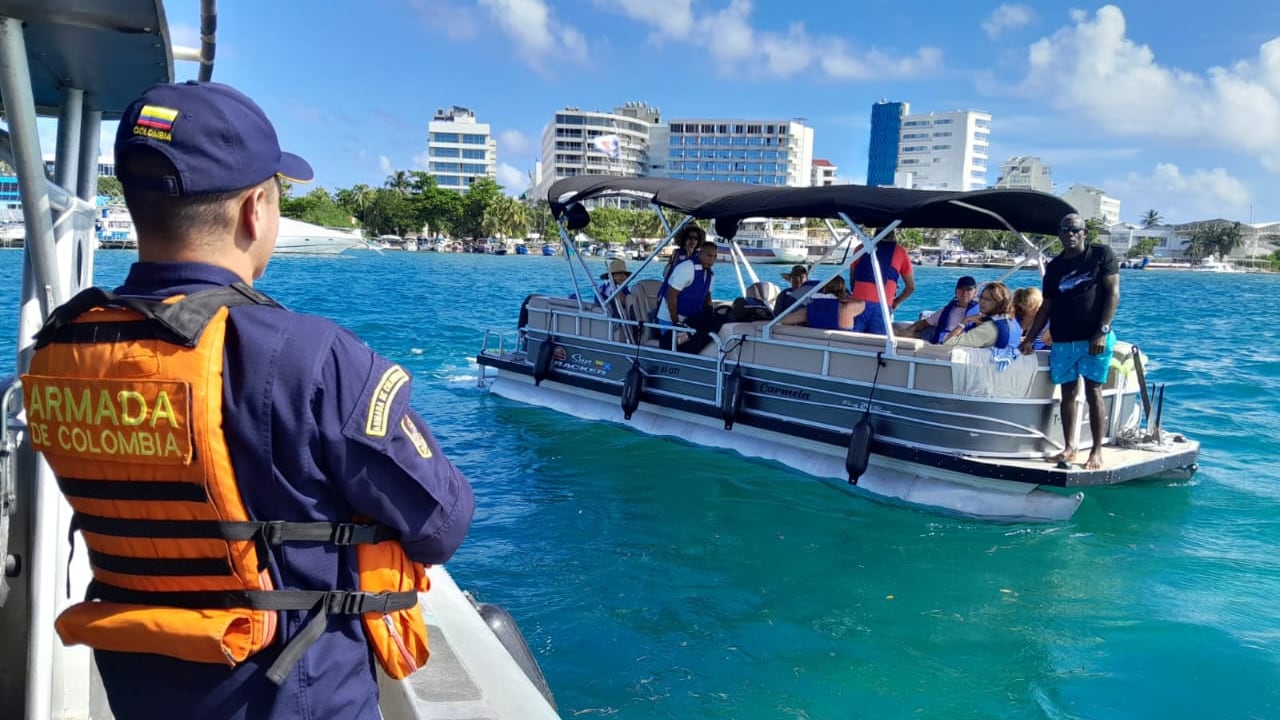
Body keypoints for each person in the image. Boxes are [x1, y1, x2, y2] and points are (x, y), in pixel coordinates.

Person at [20, 81, 475, 719]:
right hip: (296, 698)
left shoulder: (59, 349)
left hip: (138, 692)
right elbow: (441, 523)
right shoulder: (313, 357)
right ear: (255, 210)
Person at [1019, 213, 1120, 470]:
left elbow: (1112, 293)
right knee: (1067, 392)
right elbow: (1046, 306)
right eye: (1065, 230)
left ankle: (1096, 450)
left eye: (1075, 230)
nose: (1070, 234)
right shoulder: (1054, 267)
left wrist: (1102, 330)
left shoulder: (1101, 255)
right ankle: (1069, 448)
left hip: (1093, 338)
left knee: (1094, 391)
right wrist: (1030, 338)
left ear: (1084, 233)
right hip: (1063, 340)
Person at [655, 240, 719, 352]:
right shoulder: (686, 268)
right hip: (670, 319)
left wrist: (709, 314)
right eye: (708, 255)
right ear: (700, 254)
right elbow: (671, 295)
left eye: (714, 257)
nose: (711, 260)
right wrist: (676, 323)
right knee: (677, 346)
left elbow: (707, 297)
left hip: (689, 320)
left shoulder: (710, 274)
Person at [849, 229, 915, 334]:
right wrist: (896, 302)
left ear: (876, 234)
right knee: (878, 342)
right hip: (883, 306)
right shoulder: (900, 252)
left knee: (851, 340)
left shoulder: (861, 248)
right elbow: (910, 287)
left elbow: (852, 280)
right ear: (893, 236)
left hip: (857, 303)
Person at [940, 281, 1021, 349]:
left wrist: (964, 321)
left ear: (999, 303)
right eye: (981, 297)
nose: (981, 302)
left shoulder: (988, 328)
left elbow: (948, 343)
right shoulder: (1012, 322)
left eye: (987, 299)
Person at [905, 275, 981, 343]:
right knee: (908, 334)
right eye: (961, 289)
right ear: (956, 291)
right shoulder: (948, 310)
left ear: (975, 292)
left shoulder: (979, 312)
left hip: (956, 343)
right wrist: (908, 330)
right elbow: (924, 323)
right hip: (936, 338)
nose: (964, 293)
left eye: (969, 289)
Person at [780, 275, 864, 330]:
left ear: (824, 289)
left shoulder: (807, 310)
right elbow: (863, 303)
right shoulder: (847, 309)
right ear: (843, 291)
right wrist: (847, 298)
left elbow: (783, 321)